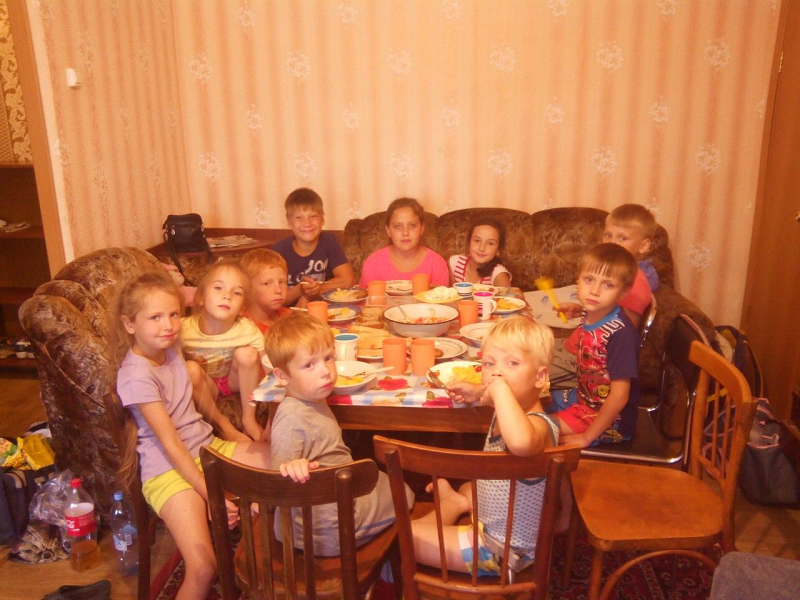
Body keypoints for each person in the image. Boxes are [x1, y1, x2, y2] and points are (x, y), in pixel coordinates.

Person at [112, 270, 271, 600]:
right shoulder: (136, 376)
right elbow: (171, 446)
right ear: (129, 324)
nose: (168, 325)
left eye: (173, 314)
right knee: (202, 568)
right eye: (155, 317)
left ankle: (264, 552)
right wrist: (211, 495)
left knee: (282, 461)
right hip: (168, 472)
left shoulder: (170, 347)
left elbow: (194, 387)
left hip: (207, 449)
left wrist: (228, 430)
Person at [411, 317, 558, 576]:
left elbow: (521, 442)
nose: (497, 373)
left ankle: (450, 507)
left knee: (403, 535)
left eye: (512, 363)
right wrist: (480, 392)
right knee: (469, 487)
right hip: (491, 523)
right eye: (489, 364)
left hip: (500, 552)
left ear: (540, 377)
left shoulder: (538, 426)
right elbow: (505, 399)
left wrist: (497, 389)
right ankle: (455, 502)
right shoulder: (510, 406)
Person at [265, 311, 414, 556]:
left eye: (328, 358)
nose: (325, 371)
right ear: (282, 376)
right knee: (404, 493)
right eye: (309, 365)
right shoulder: (291, 418)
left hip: (325, 514)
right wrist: (291, 467)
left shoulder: (308, 397)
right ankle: (391, 562)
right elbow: (276, 479)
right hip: (332, 530)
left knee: (383, 479)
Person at [550, 204, 657, 389]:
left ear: (643, 245)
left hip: (581, 359)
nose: (612, 243)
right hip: (574, 344)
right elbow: (608, 312)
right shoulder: (613, 275)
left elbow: (619, 330)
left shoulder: (634, 283)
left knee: (522, 373)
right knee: (523, 347)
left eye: (622, 238)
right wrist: (581, 310)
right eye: (608, 235)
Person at [547, 243, 641, 448]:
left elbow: (620, 396)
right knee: (532, 401)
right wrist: (579, 310)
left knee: (534, 428)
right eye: (589, 280)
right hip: (582, 398)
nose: (595, 291)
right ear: (577, 281)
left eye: (608, 285)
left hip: (608, 421)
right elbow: (596, 318)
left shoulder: (621, 334)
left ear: (624, 292)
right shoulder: (595, 312)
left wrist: (586, 437)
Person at [181, 259, 266, 441]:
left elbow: (270, 369)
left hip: (233, 381)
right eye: (218, 288)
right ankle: (223, 426)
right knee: (189, 369)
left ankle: (249, 420)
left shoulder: (247, 328)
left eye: (237, 292)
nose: (227, 296)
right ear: (201, 298)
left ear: (242, 308)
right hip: (205, 387)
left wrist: (276, 416)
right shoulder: (183, 329)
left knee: (247, 354)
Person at [272, 188, 354, 307]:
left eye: (313, 216)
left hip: (322, 308)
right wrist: (300, 289)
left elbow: (347, 280)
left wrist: (312, 292)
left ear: (322, 220)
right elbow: (274, 299)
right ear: (289, 222)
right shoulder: (279, 251)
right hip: (289, 312)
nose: (307, 223)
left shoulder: (329, 241)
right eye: (299, 218)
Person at [358, 197, 450, 288]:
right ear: (388, 230)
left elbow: (442, 296)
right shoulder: (373, 262)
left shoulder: (437, 264)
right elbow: (364, 295)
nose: (405, 233)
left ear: (422, 228)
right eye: (397, 226)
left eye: (412, 225)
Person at [240, 248, 292, 334]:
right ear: (248, 286)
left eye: (282, 282)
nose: (278, 290)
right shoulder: (243, 328)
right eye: (267, 283)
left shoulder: (290, 318)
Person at [449, 217, 512, 287]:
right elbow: (449, 292)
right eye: (477, 241)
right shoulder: (455, 263)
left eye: (490, 243)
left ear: (498, 250)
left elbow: (509, 294)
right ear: (469, 242)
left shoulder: (499, 274)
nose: (482, 248)